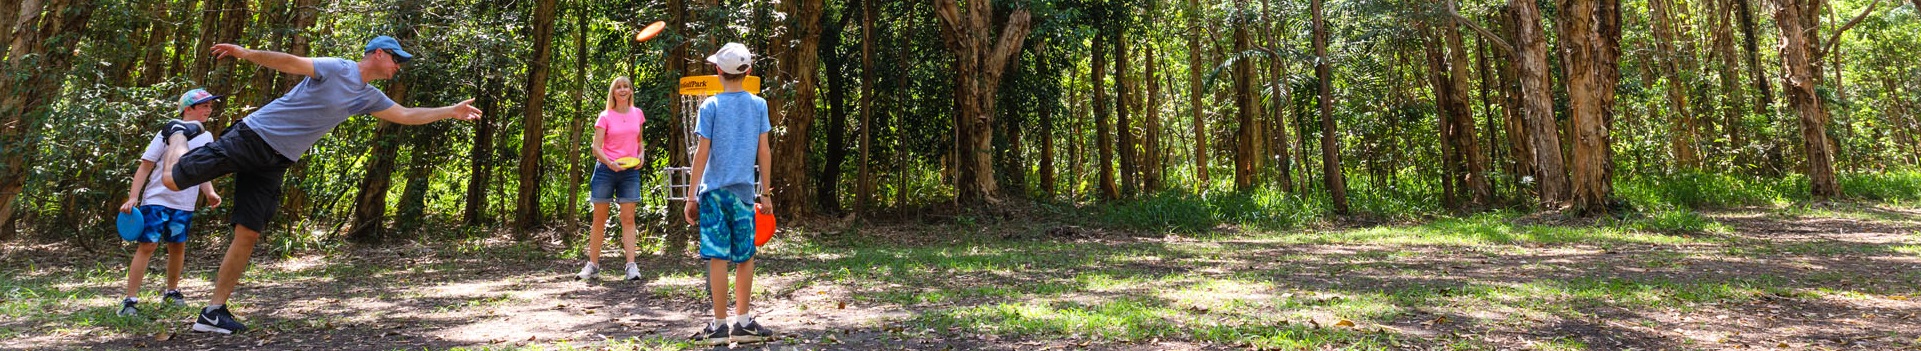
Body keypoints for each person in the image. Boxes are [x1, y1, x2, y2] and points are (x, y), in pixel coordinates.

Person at [154, 36, 482, 334]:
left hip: (277, 159)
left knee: (249, 232)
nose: (399, 66)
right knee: (172, 178)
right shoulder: (339, 68)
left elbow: (407, 114)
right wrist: (244, 53)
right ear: (378, 53)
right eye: (397, 59)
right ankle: (179, 132)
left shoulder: (368, 97)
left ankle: (213, 312)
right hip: (252, 137)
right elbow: (289, 62)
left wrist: (449, 112)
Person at [683, 42, 775, 344]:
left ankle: (719, 326)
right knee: (745, 256)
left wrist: (692, 195)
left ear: (718, 71)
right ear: (748, 71)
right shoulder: (759, 105)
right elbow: (764, 151)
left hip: (713, 194)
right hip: (744, 194)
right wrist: (765, 194)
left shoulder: (710, 106)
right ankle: (744, 322)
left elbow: (701, 152)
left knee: (717, 257)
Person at [116, 88, 224, 317]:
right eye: (204, 105)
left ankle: (172, 292)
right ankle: (130, 300)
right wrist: (133, 197)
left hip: (184, 203)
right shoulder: (169, 130)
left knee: (177, 246)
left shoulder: (206, 137)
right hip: (157, 199)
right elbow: (145, 165)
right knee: (148, 245)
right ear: (188, 109)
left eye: (210, 106)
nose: (209, 109)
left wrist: (210, 192)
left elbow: (201, 171)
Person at [578, 76, 647, 281]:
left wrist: (641, 155)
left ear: (631, 91)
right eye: (619, 87)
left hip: (630, 172)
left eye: (626, 86)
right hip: (606, 171)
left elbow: (639, 141)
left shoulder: (638, 114)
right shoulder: (605, 116)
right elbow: (595, 148)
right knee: (599, 219)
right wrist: (610, 163)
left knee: (628, 219)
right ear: (613, 93)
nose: (623, 90)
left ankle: (631, 266)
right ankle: (593, 265)